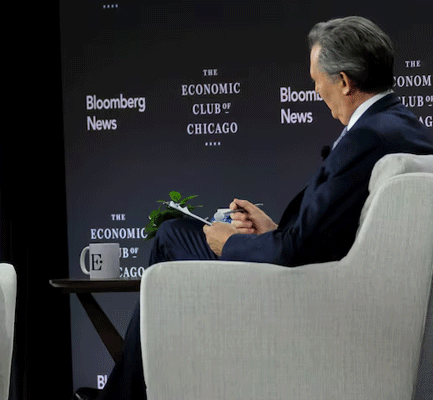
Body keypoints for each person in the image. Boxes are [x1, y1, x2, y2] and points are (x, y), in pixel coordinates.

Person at [96, 16, 433, 400]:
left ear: (344, 81)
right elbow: (332, 233)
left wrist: (232, 245)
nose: (314, 87)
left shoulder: (367, 137)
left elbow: (299, 250)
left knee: (173, 235)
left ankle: (122, 395)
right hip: (332, 282)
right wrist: (274, 229)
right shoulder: (406, 128)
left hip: (304, 292)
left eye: (316, 78)